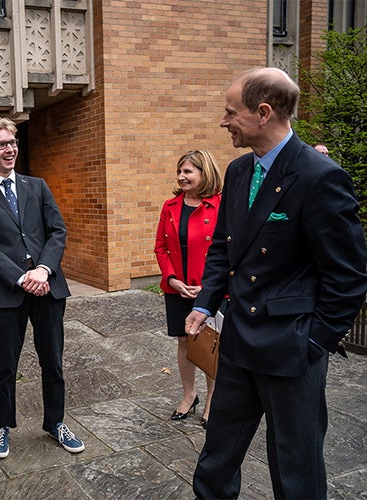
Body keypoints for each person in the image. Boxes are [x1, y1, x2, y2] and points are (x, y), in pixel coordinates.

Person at [185, 67, 367, 498]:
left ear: (263, 112)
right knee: (217, 457)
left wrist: (315, 341)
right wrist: (205, 302)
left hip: (292, 349)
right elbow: (223, 248)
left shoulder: (320, 176)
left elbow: (349, 275)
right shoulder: (238, 171)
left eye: (232, 112)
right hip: (239, 342)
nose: (224, 121)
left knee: (295, 468)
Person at [0, 116, 84, 459]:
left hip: (48, 288)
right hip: (9, 292)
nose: (10, 149)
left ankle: (56, 422)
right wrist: (22, 278)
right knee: (6, 364)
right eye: (1, 144)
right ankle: (1, 427)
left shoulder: (38, 186)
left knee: (53, 360)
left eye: (13, 142)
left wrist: (44, 270)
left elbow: (57, 231)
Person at [154, 150, 222, 429]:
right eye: (180, 171)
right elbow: (160, 247)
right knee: (184, 342)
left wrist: (210, 286)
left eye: (188, 171)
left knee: (209, 345)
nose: (181, 177)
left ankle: (211, 402)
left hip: (210, 290)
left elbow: (227, 250)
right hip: (178, 289)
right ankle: (189, 395)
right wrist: (171, 280)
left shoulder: (221, 205)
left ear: (204, 173)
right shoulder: (170, 206)